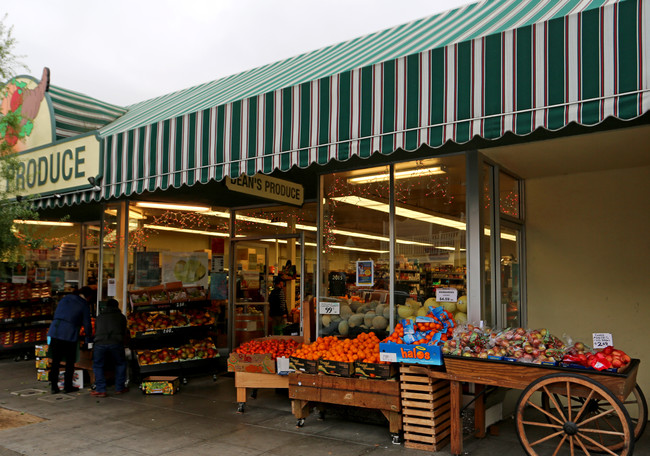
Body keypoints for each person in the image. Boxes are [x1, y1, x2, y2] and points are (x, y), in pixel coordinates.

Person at [48, 286, 94, 394]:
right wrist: (89, 339)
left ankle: (54, 387)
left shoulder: (65, 298)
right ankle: (67, 386)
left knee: (55, 361)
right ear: (88, 297)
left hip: (55, 330)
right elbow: (87, 324)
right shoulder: (83, 304)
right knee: (70, 361)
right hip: (69, 333)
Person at [91, 298, 129, 398]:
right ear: (117, 306)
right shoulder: (121, 317)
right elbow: (124, 331)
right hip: (116, 342)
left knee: (98, 365)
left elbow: (96, 330)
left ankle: (101, 390)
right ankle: (120, 388)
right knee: (120, 363)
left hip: (100, 343)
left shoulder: (99, 317)